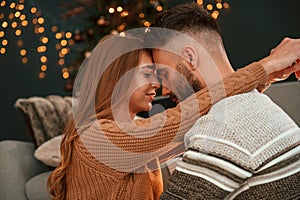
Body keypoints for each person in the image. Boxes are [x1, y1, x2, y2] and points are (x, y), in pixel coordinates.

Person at [47, 12, 300, 200]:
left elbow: (203, 127)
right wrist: (266, 66)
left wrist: (264, 79)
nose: (158, 87)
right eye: (148, 73)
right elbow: (182, 118)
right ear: (116, 78)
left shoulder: (134, 135)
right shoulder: (97, 138)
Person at [145, 3, 300, 199]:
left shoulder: (220, 128)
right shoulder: (254, 105)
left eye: (165, 74)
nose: (165, 90)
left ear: (190, 57)